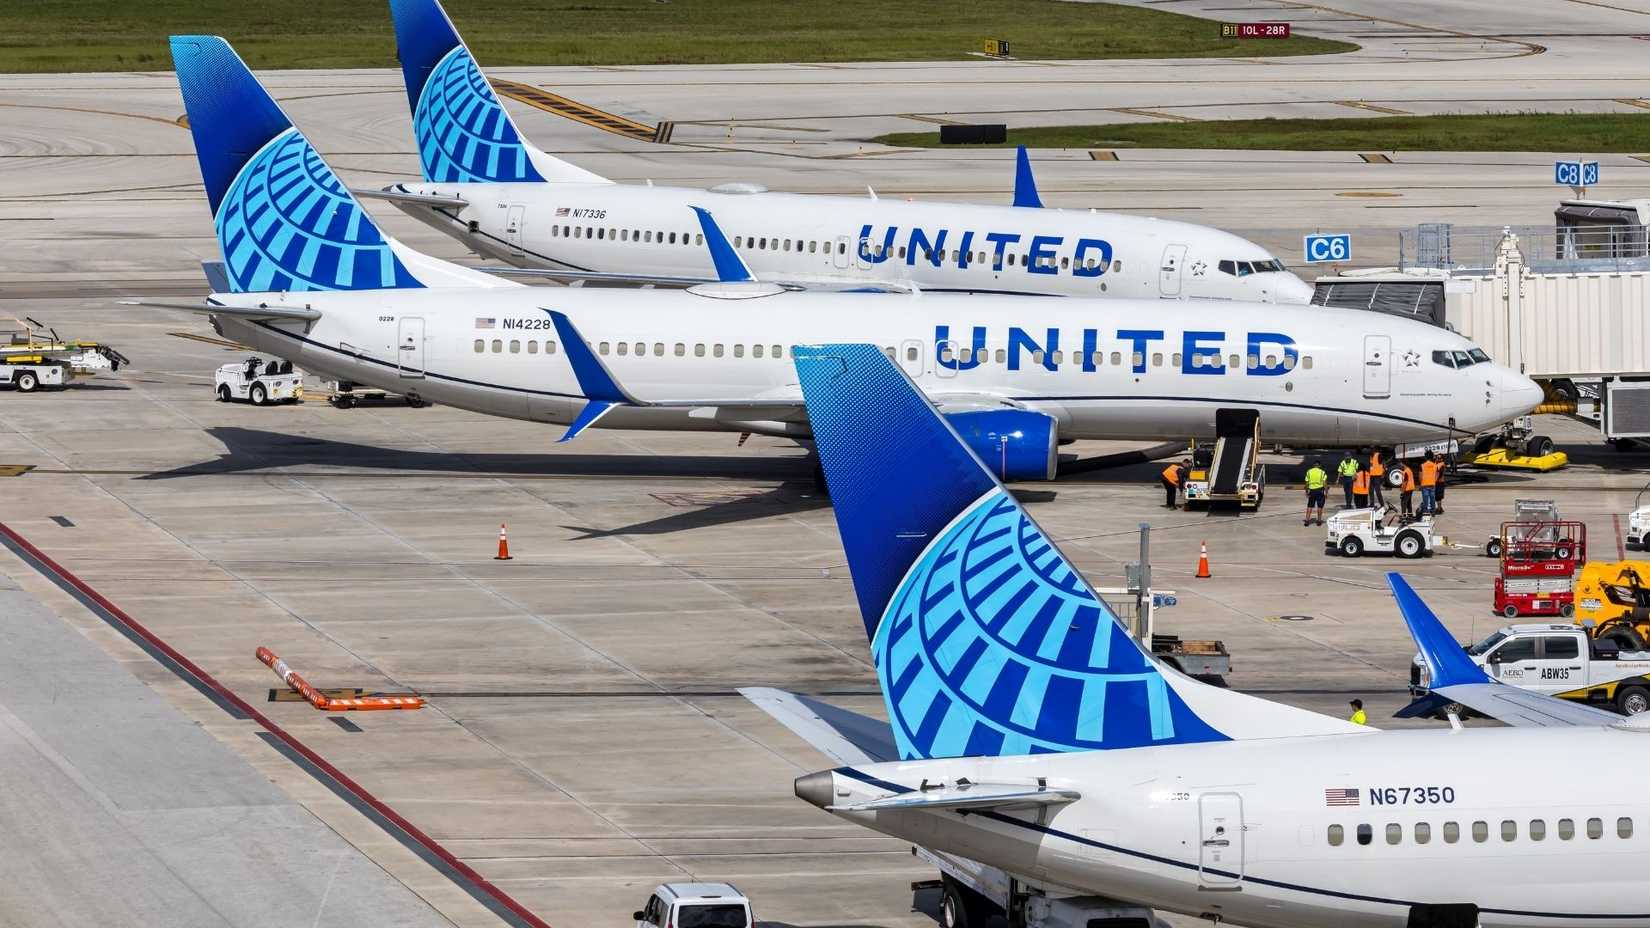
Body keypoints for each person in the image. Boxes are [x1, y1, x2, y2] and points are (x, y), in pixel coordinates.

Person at [1303, 459, 1328, 526]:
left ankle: (1307, 520)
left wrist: (1306, 491)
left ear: (1313, 465)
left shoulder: (1309, 472)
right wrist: (1326, 493)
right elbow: (1325, 484)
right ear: (1319, 465)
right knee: (1320, 506)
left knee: (1309, 506)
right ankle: (1319, 521)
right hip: (1320, 491)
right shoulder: (1322, 472)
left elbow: (1307, 483)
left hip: (1312, 491)